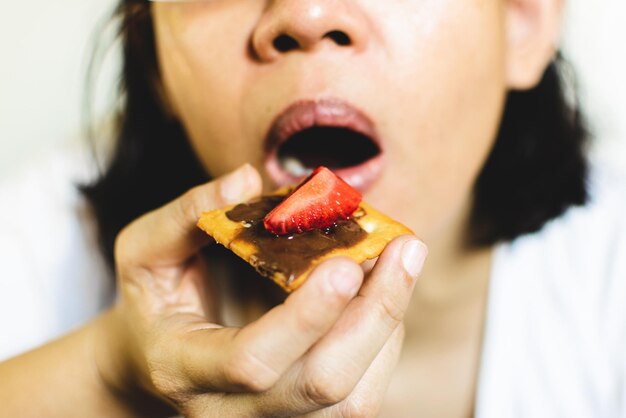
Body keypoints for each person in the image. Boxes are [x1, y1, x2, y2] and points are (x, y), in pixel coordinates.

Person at [1, 0, 625, 416]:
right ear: (151, 53)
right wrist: (110, 371)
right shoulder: (38, 239)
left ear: (524, 20)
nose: (306, 13)